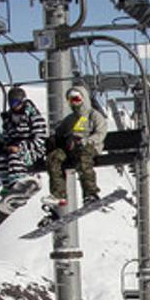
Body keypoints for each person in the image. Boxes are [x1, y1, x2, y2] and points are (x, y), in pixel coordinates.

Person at [44, 85, 106, 215]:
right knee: (54, 158)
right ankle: (59, 194)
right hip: (71, 149)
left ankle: (90, 193)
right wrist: (54, 140)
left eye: (76, 99)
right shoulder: (70, 119)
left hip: (89, 147)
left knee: (83, 158)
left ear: (83, 99)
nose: (74, 103)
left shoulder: (94, 115)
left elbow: (101, 133)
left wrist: (85, 141)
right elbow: (60, 133)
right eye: (71, 100)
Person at [0, 86, 47, 195]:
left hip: (33, 150)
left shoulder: (33, 116)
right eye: (11, 103)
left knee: (14, 157)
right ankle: (7, 187)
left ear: (22, 101)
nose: (14, 106)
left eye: (15, 103)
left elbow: (40, 138)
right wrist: (7, 145)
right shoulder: (9, 119)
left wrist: (21, 147)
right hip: (14, 147)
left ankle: (18, 183)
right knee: (1, 161)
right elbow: (7, 136)